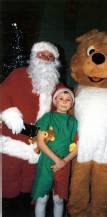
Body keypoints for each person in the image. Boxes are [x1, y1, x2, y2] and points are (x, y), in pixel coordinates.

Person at [0, 41, 61, 198]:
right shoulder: (18, 74)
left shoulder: (56, 85)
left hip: (38, 141)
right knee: (9, 173)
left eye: (51, 57)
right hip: (14, 136)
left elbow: (66, 99)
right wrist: (8, 112)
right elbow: (2, 92)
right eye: (42, 55)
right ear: (34, 57)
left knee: (31, 177)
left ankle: (27, 201)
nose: (46, 59)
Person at [32, 87, 78, 217]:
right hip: (46, 160)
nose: (64, 102)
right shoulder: (48, 117)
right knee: (42, 198)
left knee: (58, 199)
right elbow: (40, 142)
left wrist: (64, 161)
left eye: (68, 99)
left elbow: (78, 146)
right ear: (55, 101)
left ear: (72, 103)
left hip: (65, 162)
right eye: (61, 99)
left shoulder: (74, 122)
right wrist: (58, 160)